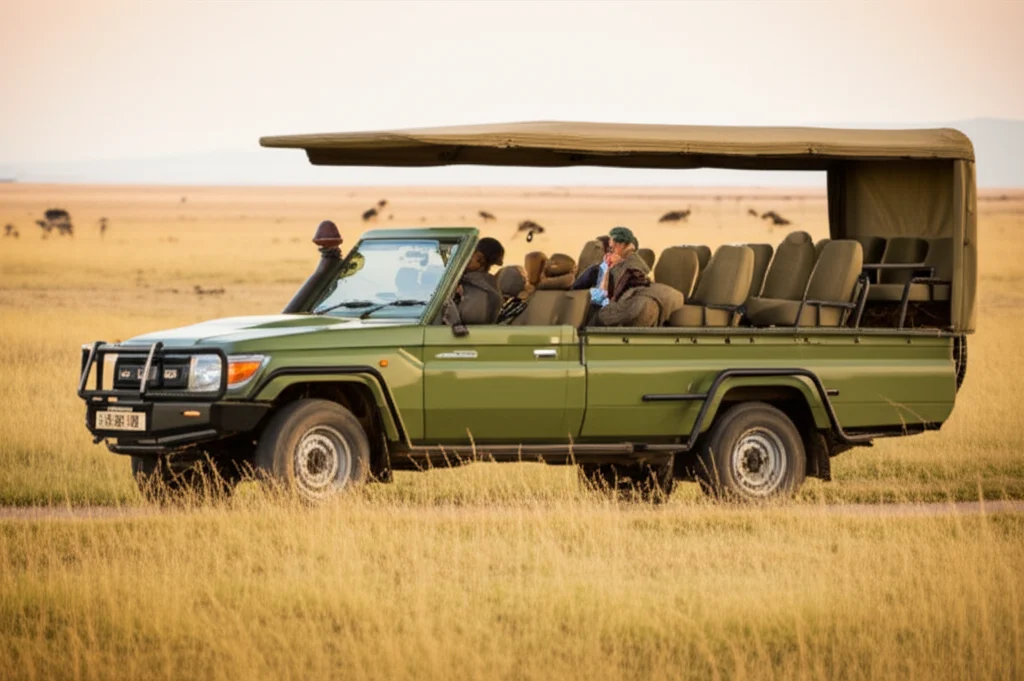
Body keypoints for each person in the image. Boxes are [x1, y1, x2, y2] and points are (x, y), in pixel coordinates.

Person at [453, 236, 505, 325]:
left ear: (480, 259)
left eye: (471, 253)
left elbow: (470, 321)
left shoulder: (482, 291)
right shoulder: (471, 282)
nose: (466, 257)